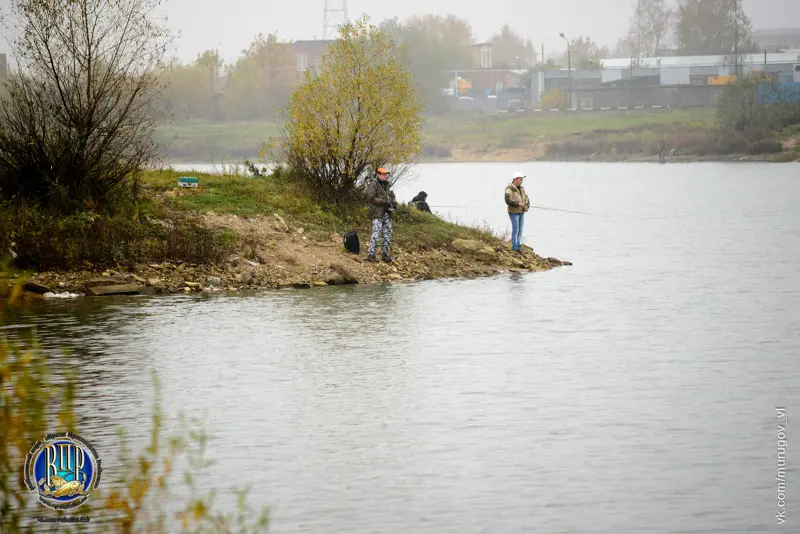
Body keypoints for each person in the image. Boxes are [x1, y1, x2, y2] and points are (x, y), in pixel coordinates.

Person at [365, 167, 397, 263]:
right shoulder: (373, 184)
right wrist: (384, 202)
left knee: (387, 234)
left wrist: (394, 203)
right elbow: (371, 197)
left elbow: (392, 196)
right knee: (376, 234)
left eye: (386, 174)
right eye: (383, 174)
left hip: (388, 213)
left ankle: (385, 255)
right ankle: (371, 255)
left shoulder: (387, 185)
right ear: (378, 174)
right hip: (377, 213)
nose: (385, 176)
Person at [504, 171, 530, 253]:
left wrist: (526, 205)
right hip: (513, 212)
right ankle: (515, 248)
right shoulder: (509, 188)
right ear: (515, 179)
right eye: (520, 179)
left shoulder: (522, 188)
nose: (522, 181)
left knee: (520, 230)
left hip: (521, 212)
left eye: (522, 179)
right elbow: (507, 199)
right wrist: (517, 204)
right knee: (516, 230)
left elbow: (526, 198)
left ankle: (518, 246)